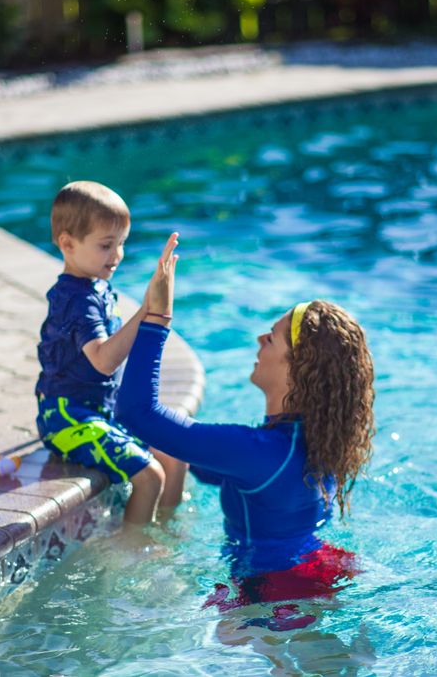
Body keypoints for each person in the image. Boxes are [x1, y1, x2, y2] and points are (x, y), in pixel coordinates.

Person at [117, 235, 376, 604]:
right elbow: (206, 461)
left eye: (271, 339)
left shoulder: (260, 452)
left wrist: (157, 318)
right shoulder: (319, 440)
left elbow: (136, 413)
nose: (259, 338)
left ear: (296, 370)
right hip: (314, 570)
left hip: (272, 596)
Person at [34, 182, 186, 527]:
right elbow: (103, 361)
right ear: (68, 244)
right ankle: (135, 546)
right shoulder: (75, 300)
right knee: (150, 476)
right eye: (106, 245)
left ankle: (169, 531)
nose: (117, 255)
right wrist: (147, 309)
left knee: (175, 455)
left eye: (121, 243)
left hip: (102, 412)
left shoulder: (96, 286)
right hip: (67, 418)